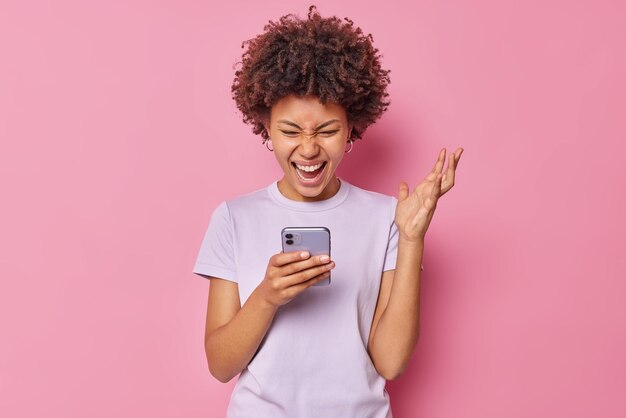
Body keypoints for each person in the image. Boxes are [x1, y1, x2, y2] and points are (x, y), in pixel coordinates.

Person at [193, 5, 463, 417]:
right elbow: (220, 365)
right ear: (265, 126)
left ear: (352, 127)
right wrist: (267, 296)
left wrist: (411, 239)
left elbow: (390, 362)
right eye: (289, 131)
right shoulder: (234, 218)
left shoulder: (387, 217)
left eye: (327, 130)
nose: (308, 148)